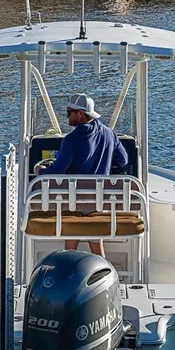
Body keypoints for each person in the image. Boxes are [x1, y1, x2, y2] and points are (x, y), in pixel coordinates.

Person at [35, 93, 128, 258]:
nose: (67, 117)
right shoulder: (109, 134)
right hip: (100, 203)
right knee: (94, 239)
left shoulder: (72, 139)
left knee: (72, 227)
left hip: (74, 203)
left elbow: (57, 172)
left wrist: (40, 171)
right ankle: (103, 273)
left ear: (80, 113)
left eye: (69, 113)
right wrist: (105, 163)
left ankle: (68, 270)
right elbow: (123, 160)